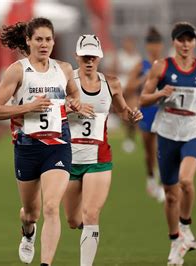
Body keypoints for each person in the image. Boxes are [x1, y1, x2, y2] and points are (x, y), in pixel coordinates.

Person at [0, 17, 93, 266]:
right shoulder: (17, 70)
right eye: (39, 39)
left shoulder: (64, 69)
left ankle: (46, 263)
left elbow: (73, 94)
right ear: (28, 41)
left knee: (51, 207)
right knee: (32, 213)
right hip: (27, 148)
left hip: (57, 146)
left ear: (54, 41)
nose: (44, 44)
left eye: (48, 39)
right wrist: (29, 107)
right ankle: (27, 232)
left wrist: (75, 103)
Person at [139, 22, 196, 266]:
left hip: (193, 131)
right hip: (166, 132)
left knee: (186, 180)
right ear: (174, 42)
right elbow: (143, 99)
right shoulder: (162, 67)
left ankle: (186, 227)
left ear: (194, 42)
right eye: (181, 40)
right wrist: (160, 94)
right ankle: (176, 240)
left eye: (189, 40)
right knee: (171, 195)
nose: (185, 44)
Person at [63, 34, 143, 266]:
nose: (89, 60)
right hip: (68, 159)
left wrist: (132, 115)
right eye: (85, 56)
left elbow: (123, 111)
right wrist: (69, 108)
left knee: (91, 214)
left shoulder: (112, 83)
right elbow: (50, 113)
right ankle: (86, 229)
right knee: (72, 219)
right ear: (77, 56)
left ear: (100, 57)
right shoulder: (66, 83)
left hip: (99, 159)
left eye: (93, 56)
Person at [126, 27, 165, 202]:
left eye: (157, 43)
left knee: (163, 150)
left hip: (164, 111)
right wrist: (144, 78)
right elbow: (128, 88)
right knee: (150, 152)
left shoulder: (167, 64)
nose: (154, 47)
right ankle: (150, 176)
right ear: (147, 46)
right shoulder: (142, 65)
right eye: (151, 43)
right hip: (147, 111)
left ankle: (164, 184)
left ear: (162, 45)